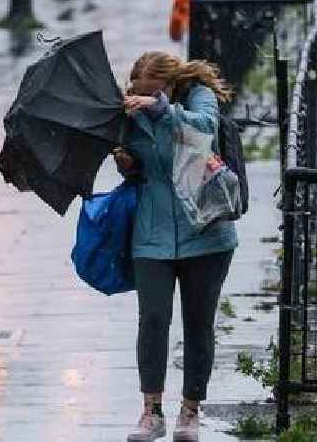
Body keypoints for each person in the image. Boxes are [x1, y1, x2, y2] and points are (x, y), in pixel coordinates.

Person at [114, 51, 238, 442]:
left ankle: (190, 411)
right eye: (138, 91)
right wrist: (126, 161)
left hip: (206, 231)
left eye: (152, 91)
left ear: (169, 87)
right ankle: (151, 411)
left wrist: (161, 109)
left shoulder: (196, 97)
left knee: (198, 322)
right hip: (152, 233)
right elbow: (139, 161)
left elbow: (203, 131)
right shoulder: (131, 109)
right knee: (152, 319)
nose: (143, 96)